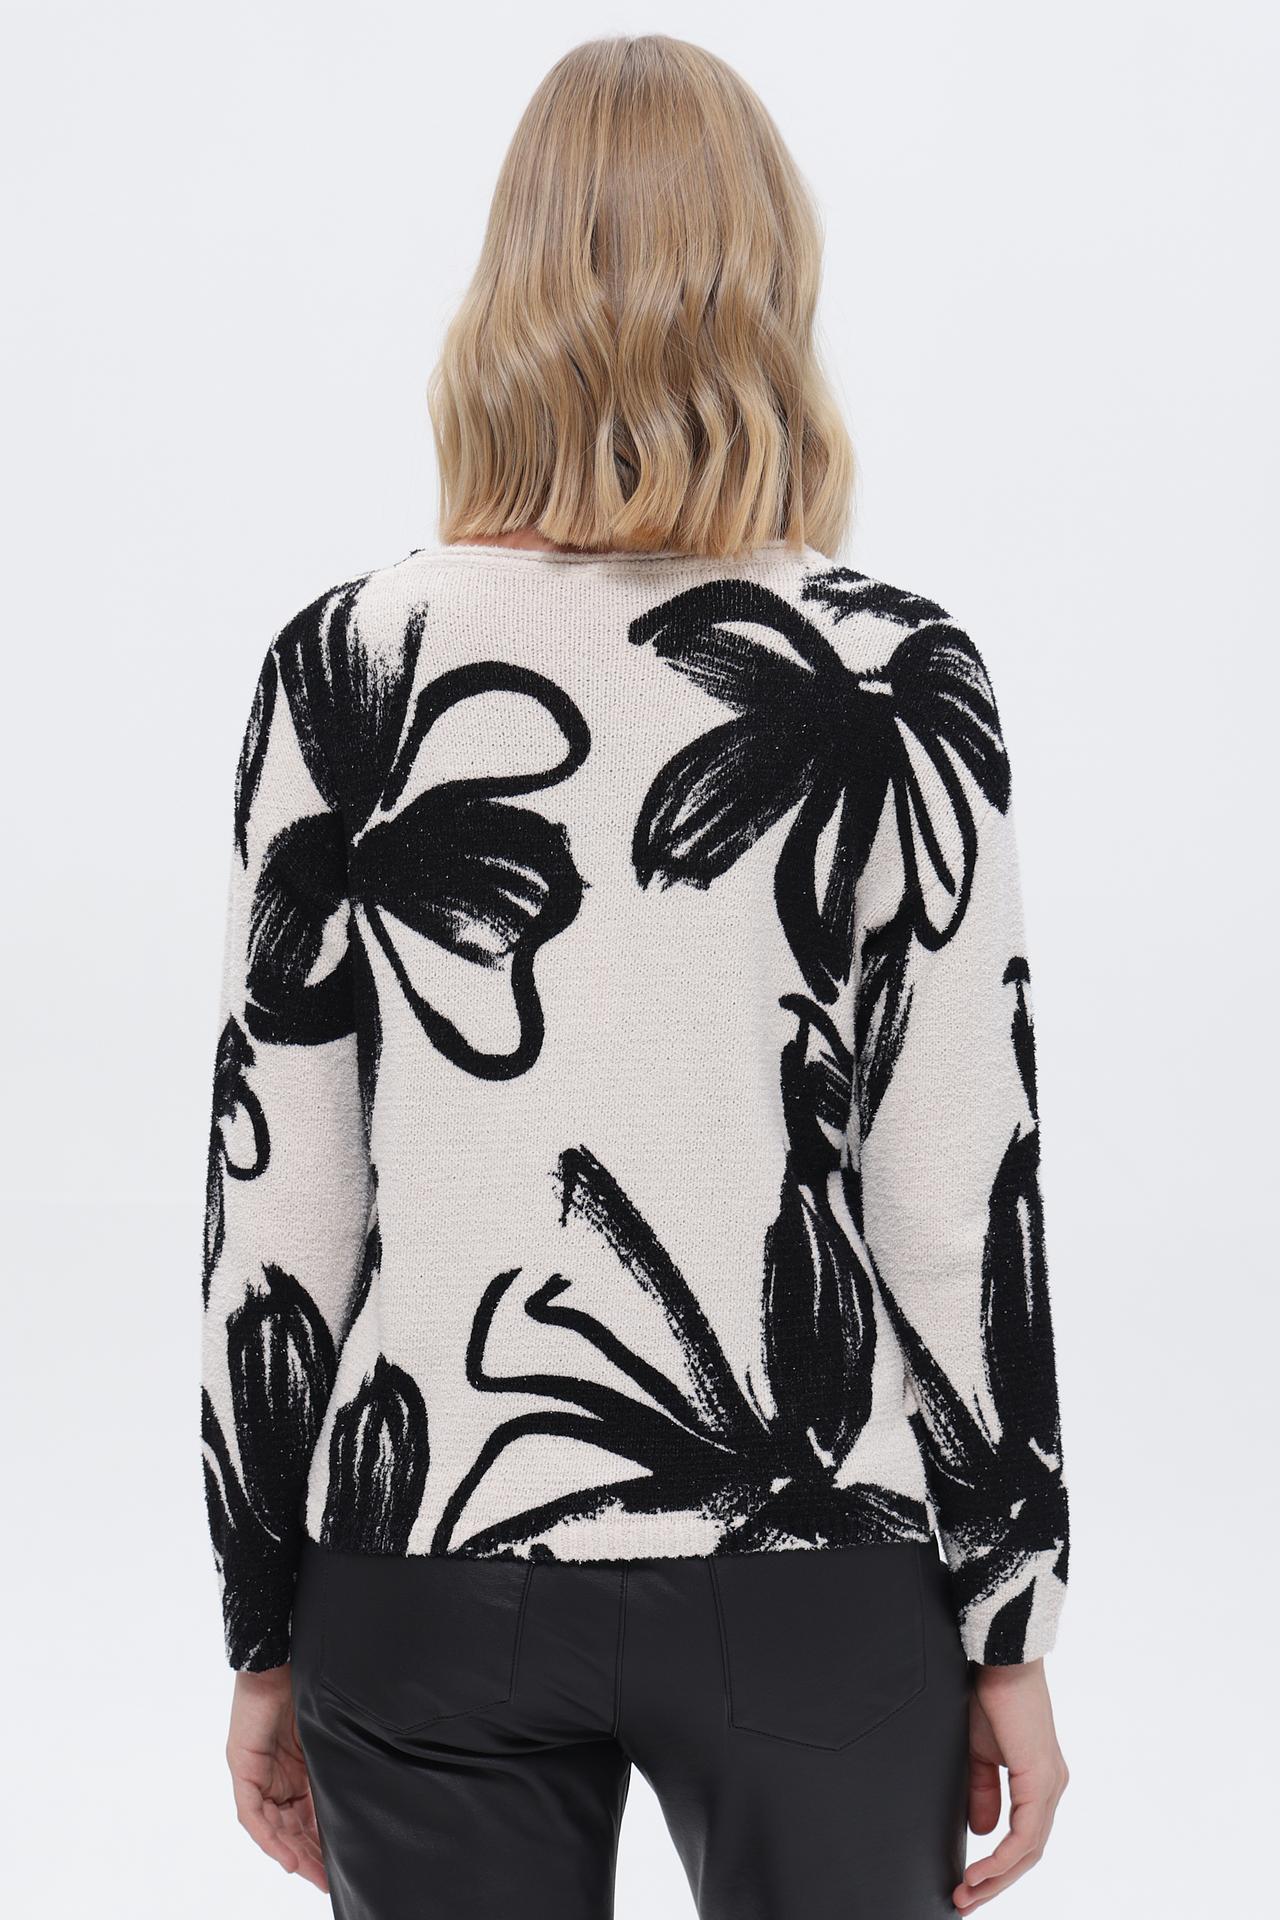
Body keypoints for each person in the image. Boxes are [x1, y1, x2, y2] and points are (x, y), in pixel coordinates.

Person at [201, 33, 1069, 1919]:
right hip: (824, 1557)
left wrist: (263, 1621)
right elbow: (956, 1184)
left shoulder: (346, 664)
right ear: (774, 285)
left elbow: (282, 1192)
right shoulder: (897, 672)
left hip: (425, 1553)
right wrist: (1008, 1620)